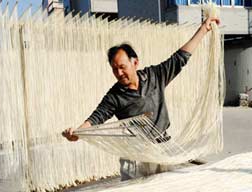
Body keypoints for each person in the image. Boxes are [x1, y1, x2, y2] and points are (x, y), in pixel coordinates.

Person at [63, 17, 220, 180]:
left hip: (162, 148)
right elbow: (97, 117)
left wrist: (203, 29)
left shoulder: (154, 76)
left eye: (122, 67)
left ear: (135, 62)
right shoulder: (114, 96)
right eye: (114, 69)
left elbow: (180, 58)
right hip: (134, 155)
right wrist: (79, 132)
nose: (119, 73)